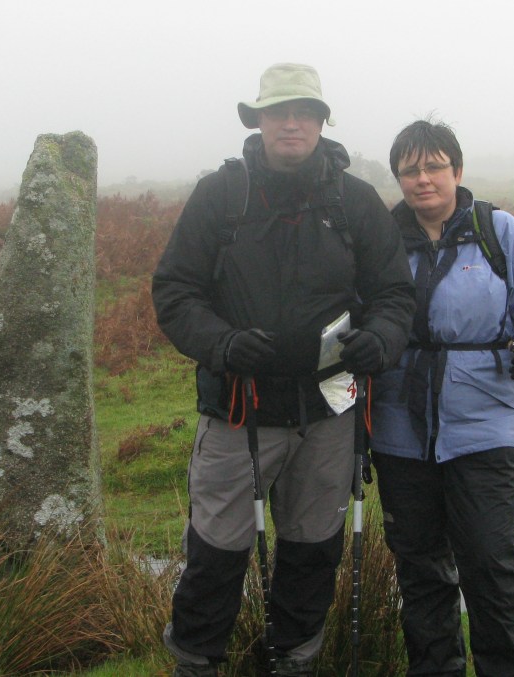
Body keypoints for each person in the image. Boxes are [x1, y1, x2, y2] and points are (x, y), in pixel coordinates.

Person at [152, 63, 415, 677]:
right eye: (278, 112)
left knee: (312, 548)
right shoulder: (222, 195)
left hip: (331, 408)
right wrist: (220, 344)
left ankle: (294, 660)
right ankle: (195, 661)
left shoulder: (355, 202)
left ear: (322, 123)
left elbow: (394, 294)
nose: (291, 122)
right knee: (216, 550)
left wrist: (382, 337)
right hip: (237, 408)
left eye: (304, 112)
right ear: (259, 121)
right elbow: (175, 290)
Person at [370, 120, 514, 677]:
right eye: (409, 170)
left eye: (434, 166)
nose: (422, 179)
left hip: (485, 427)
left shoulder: (497, 231)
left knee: (489, 565)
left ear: (457, 171)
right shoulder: (381, 241)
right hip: (399, 432)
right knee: (419, 572)